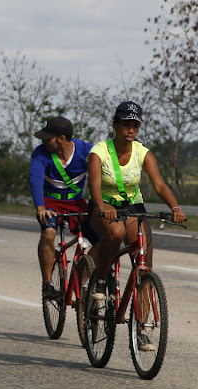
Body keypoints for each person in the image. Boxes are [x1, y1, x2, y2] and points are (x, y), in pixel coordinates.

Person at [87, 101, 185, 350]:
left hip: (133, 209)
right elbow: (94, 185)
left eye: (135, 125)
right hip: (103, 206)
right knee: (115, 232)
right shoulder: (100, 151)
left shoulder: (143, 152)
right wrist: (102, 206)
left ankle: (141, 328)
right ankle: (100, 278)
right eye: (125, 124)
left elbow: (160, 185)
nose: (130, 130)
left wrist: (175, 207)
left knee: (144, 262)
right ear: (115, 125)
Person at [29, 117, 100, 299]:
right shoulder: (41, 153)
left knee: (101, 240)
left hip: (77, 203)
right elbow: (35, 179)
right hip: (50, 203)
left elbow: (101, 174)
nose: (43, 141)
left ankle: (83, 281)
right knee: (48, 233)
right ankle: (47, 284)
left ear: (61, 138)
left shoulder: (86, 150)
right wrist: (40, 207)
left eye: (47, 138)